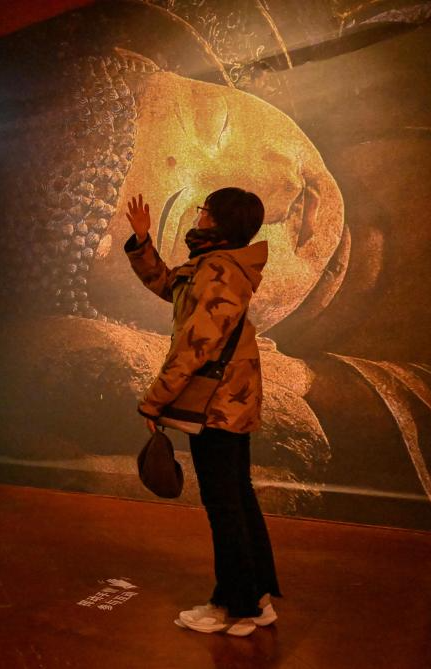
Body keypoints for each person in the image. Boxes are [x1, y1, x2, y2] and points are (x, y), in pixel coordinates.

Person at [124, 188, 282, 637]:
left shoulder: (219, 269)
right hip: (229, 400)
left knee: (224, 505)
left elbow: (196, 344)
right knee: (237, 497)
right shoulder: (217, 264)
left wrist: (155, 399)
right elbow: (169, 285)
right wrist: (142, 242)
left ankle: (233, 606)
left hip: (216, 403)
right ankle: (257, 599)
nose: (200, 215)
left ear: (219, 221)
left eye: (205, 210)